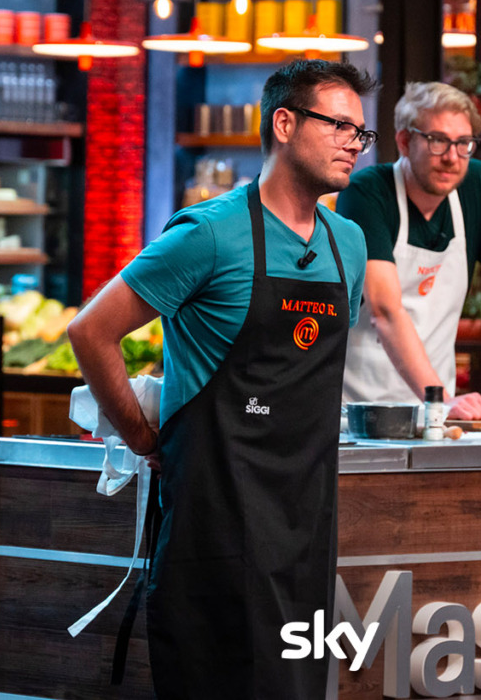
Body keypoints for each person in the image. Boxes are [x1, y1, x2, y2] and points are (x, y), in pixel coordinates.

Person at [68, 59, 373, 700]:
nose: (353, 143)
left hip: (306, 523)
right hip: (213, 523)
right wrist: (142, 437)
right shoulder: (207, 233)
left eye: (360, 133)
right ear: (284, 123)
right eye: (339, 126)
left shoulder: (347, 244)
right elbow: (91, 332)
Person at [337, 81, 481, 420]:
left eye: (463, 144)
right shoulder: (367, 192)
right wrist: (443, 401)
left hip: (436, 410)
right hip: (362, 411)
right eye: (437, 141)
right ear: (404, 141)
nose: (451, 157)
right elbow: (385, 311)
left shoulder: (476, 185)